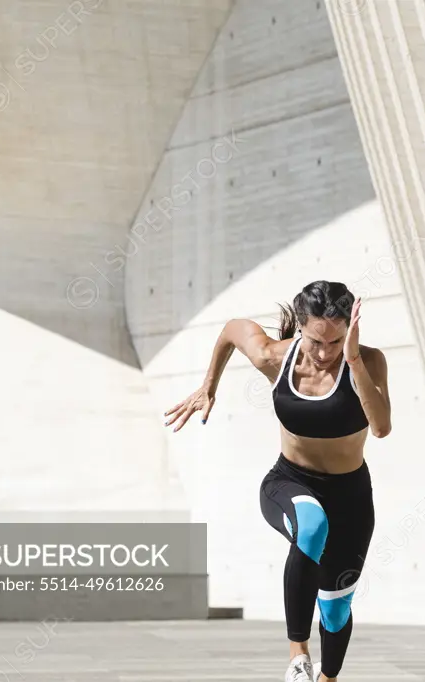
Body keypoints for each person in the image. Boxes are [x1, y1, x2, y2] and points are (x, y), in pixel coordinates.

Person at [163, 280, 392, 682]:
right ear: (300, 327)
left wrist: (353, 361)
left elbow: (381, 427)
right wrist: (208, 386)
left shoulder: (368, 362)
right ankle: (297, 655)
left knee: (336, 610)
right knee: (311, 525)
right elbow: (232, 329)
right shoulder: (275, 357)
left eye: (336, 342)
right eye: (315, 341)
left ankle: (328, 677)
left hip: (351, 498)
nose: (324, 354)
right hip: (289, 483)